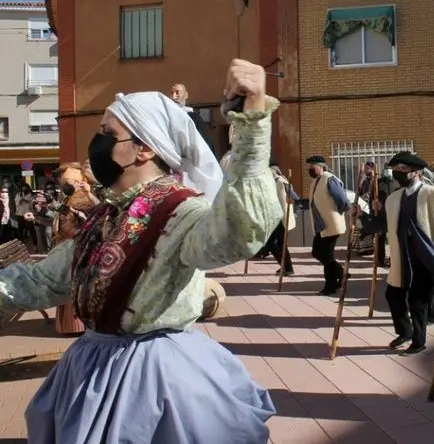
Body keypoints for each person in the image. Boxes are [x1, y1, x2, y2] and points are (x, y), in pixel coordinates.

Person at [0, 59, 279, 443]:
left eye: (108, 133)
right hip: (89, 370)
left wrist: (252, 127)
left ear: (144, 148)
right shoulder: (105, 216)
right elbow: (43, 281)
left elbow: (239, 232)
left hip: (152, 381)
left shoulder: (180, 211)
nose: (97, 143)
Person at [354, 151, 434, 354]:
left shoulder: (432, 194)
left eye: (403, 169)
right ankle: (405, 331)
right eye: (395, 169)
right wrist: (362, 215)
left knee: (417, 301)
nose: (398, 172)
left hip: (426, 258)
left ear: (416, 172)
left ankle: (419, 342)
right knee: (393, 294)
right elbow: (380, 224)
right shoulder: (394, 198)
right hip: (403, 258)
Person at [50, 162, 95, 336]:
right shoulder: (68, 199)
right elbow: (62, 219)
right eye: (63, 182)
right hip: (66, 248)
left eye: (67, 182)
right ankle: (69, 325)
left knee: (73, 286)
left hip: (75, 248)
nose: (64, 185)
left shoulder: (83, 199)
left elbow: (84, 223)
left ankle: (76, 325)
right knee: (67, 285)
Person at [306, 155, 350, 295]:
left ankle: (330, 286)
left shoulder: (329, 179)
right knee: (317, 253)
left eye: (312, 166)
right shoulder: (316, 181)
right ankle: (341, 273)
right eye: (309, 167)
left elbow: (342, 199)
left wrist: (341, 212)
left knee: (326, 255)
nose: (310, 169)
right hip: (320, 225)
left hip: (331, 224)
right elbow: (313, 202)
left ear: (321, 166)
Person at [264, 160, 298, 277]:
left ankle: (287, 267)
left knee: (277, 243)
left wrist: (292, 205)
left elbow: (294, 197)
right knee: (276, 244)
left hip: (282, 218)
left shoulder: (281, 181)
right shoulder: (272, 182)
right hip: (275, 219)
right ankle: (286, 266)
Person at [170, 83, 215, 153]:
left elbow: (205, 142)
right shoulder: (167, 117)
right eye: (171, 93)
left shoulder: (194, 118)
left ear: (186, 95)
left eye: (177, 92)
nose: (173, 97)